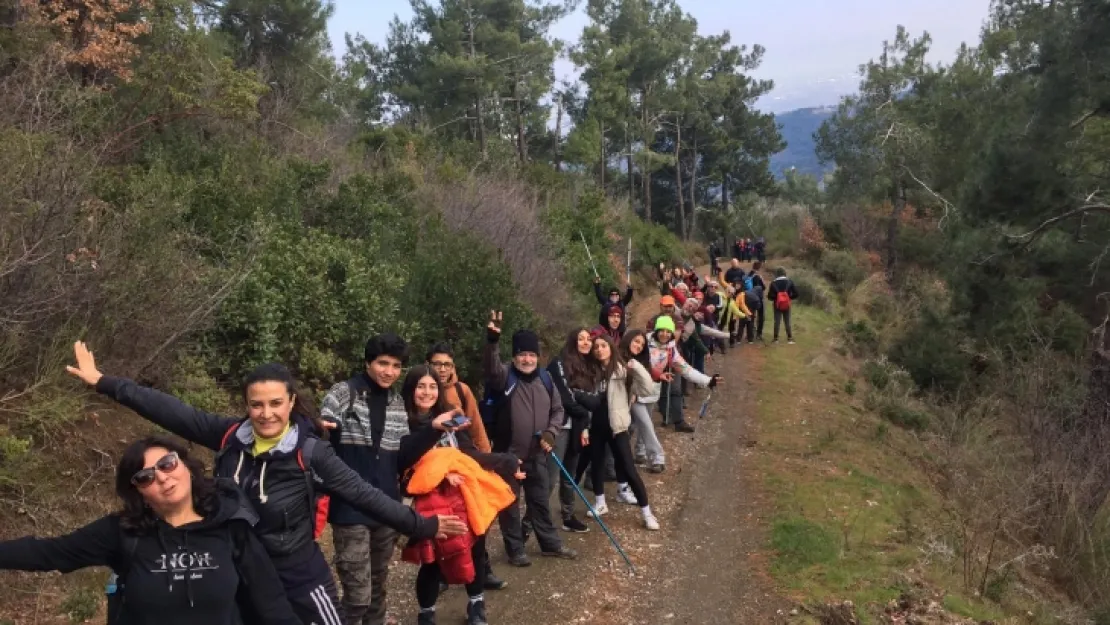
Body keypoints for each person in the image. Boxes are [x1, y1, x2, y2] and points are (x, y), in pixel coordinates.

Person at [66, 342, 467, 625]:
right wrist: (104, 382)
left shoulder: (310, 452)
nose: (266, 413)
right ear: (246, 405)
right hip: (237, 570)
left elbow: (363, 494)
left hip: (297, 572)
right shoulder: (228, 437)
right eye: (256, 404)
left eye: (276, 403)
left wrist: (422, 525)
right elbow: (169, 410)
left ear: (291, 403)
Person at [0, 436, 299, 625]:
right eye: (145, 477)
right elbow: (48, 552)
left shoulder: (230, 523)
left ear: (185, 465)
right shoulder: (123, 532)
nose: (163, 478)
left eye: (167, 464)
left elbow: (271, 603)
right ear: (139, 492)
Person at [396, 366, 521, 625]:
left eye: (432, 387)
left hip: (464, 495)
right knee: (431, 559)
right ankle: (426, 613)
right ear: (411, 389)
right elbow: (402, 460)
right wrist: (442, 473)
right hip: (426, 502)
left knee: (475, 549)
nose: (427, 392)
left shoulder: (450, 419)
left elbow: (468, 454)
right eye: (421, 386)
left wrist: (505, 461)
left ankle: (476, 605)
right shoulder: (399, 421)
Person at [318, 333, 414, 625]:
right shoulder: (344, 391)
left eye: (396, 366)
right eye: (382, 363)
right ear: (368, 362)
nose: (389, 371)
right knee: (356, 595)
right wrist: (325, 429)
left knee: (377, 588)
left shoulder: (397, 402)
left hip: (385, 505)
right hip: (350, 507)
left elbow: (403, 452)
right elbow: (322, 426)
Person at [483, 312, 577, 566]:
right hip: (509, 456)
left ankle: (550, 544)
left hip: (538, 454)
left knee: (539, 502)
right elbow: (491, 369)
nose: (527, 359)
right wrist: (492, 341)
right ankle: (515, 550)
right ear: (514, 356)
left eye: (531, 355)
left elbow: (558, 410)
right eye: (522, 354)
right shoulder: (505, 377)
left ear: (538, 357)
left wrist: (551, 432)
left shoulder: (545, 379)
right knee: (510, 507)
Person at [425, 342, 506, 591]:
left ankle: (483, 569)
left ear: (453, 367)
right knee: (441, 522)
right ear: (428, 364)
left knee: (475, 518)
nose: (442, 369)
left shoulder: (462, 390)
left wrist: (487, 459)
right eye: (437, 364)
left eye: (447, 364)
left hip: (465, 465)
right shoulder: (422, 390)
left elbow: (476, 427)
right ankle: (440, 574)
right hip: (435, 471)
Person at [574, 334, 658, 530]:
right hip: (596, 426)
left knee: (629, 469)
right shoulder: (591, 372)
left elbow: (647, 389)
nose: (599, 349)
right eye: (596, 347)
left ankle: (647, 512)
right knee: (597, 465)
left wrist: (635, 366)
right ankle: (600, 502)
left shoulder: (622, 370)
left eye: (603, 346)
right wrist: (585, 426)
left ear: (611, 348)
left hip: (617, 427)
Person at [545, 328, 597, 533]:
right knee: (549, 479)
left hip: (577, 428)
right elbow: (566, 398)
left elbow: (592, 400)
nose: (585, 342)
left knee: (570, 475)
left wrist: (584, 422)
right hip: (558, 427)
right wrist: (583, 412)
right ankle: (530, 523)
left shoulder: (590, 368)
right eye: (581, 339)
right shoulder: (558, 363)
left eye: (588, 339)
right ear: (572, 341)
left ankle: (568, 516)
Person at [648, 317, 720, 433]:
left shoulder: (671, 349)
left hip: (649, 392)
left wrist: (707, 380)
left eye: (668, 331)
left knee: (643, 425)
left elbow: (686, 370)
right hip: (635, 389)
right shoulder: (644, 343)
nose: (665, 334)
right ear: (656, 330)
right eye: (662, 330)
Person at [621, 330, 666, 473]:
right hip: (621, 402)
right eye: (636, 341)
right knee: (639, 424)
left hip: (638, 397)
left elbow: (649, 375)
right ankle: (652, 455)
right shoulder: (618, 357)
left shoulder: (639, 360)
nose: (639, 346)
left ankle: (649, 455)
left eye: (641, 344)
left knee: (643, 423)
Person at [767, 268, 799, 344]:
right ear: (785, 273)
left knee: (777, 321)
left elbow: (770, 297)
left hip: (777, 305)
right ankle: (790, 338)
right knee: (787, 321)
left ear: (777, 274)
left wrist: (777, 298)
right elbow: (796, 294)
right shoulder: (789, 282)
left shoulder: (773, 283)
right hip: (787, 304)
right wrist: (788, 298)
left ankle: (775, 339)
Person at [748, 262, 768, 341]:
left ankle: (750, 333)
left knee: (751, 316)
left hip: (750, 298)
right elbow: (763, 288)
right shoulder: (758, 277)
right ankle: (759, 334)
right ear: (759, 268)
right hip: (759, 298)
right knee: (761, 316)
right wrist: (762, 280)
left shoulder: (749, 275)